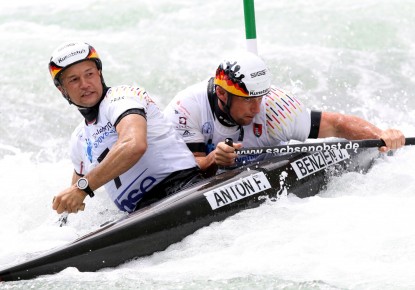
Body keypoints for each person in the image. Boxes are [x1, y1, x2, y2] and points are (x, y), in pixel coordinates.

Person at [163, 51, 406, 176]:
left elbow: (337, 125)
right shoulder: (186, 109)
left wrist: (382, 136)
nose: (257, 109)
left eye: (259, 98)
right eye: (248, 101)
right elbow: (185, 173)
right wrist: (213, 160)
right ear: (222, 94)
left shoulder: (276, 108)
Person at [49, 41, 202, 214]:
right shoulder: (79, 138)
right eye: (74, 80)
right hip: (140, 212)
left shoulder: (121, 97)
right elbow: (73, 199)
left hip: (181, 188)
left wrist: (82, 188)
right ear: (62, 90)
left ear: (99, 74)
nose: (85, 84)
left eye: (89, 74)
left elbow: (134, 144)